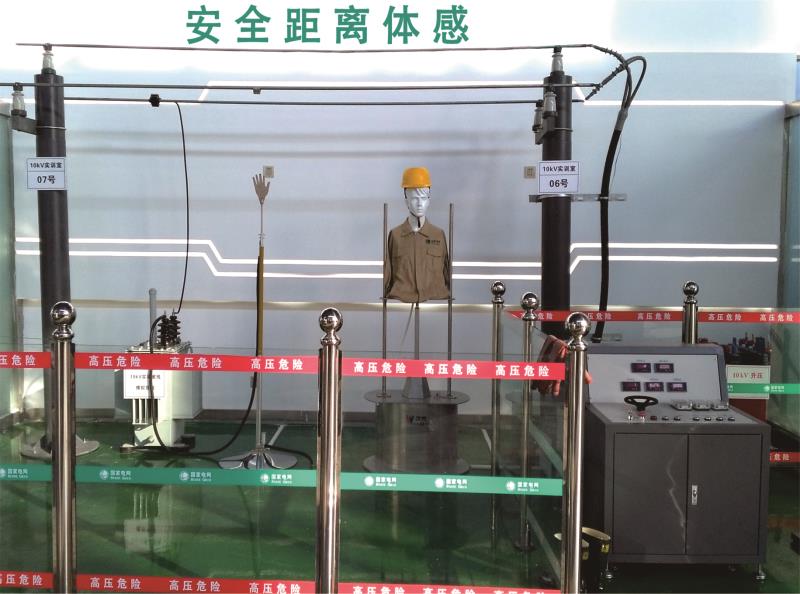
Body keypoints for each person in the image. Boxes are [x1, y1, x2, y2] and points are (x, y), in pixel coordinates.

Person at [383, 167, 450, 303]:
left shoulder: (438, 235)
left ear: (429, 200)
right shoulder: (395, 235)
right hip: (401, 303)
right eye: (414, 198)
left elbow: (446, 273)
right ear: (406, 201)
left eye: (423, 198)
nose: (420, 203)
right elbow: (387, 276)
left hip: (434, 304)